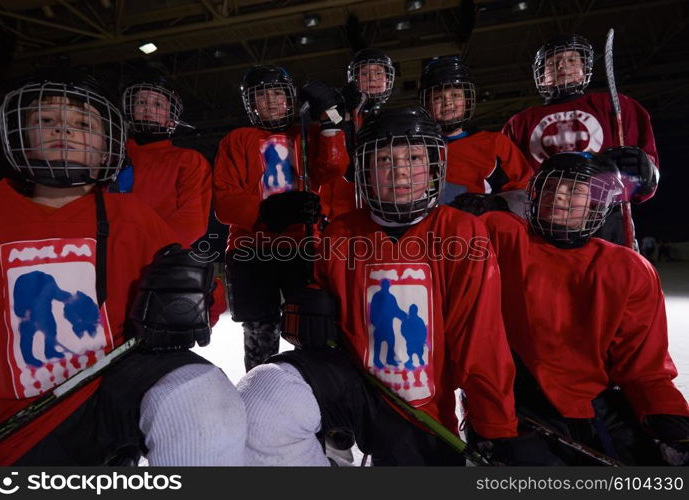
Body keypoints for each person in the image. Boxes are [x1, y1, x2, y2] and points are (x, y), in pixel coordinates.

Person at [236, 107, 554, 466]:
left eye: (414, 157)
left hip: (424, 410)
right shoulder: (340, 232)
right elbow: (323, 328)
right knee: (262, 397)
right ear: (366, 170)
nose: (401, 170)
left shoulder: (460, 231)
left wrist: (496, 427)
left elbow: (479, 339)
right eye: (385, 158)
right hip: (356, 389)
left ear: (434, 166)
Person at [0, 71, 245, 466]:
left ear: (107, 145)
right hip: (12, 424)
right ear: (19, 134)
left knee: (203, 400)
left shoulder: (131, 215)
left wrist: (183, 304)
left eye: (82, 124)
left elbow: (206, 297)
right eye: (45, 120)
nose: (64, 130)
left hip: (115, 391)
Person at [480, 151, 689, 465]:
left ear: (598, 203)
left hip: (595, 404)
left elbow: (643, 366)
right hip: (518, 404)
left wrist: (668, 416)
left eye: (574, 190)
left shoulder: (627, 268)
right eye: (551, 187)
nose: (558, 196)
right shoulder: (504, 235)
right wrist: (459, 219)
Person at [212, 64, 348, 372]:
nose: (271, 101)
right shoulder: (236, 140)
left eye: (277, 93)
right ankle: (259, 389)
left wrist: (330, 120)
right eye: (262, 95)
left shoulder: (308, 133)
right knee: (259, 331)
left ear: (290, 99)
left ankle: (317, 389)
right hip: (251, 250)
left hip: (301, 245)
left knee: (313, 324)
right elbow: (225, 202)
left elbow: (334, 168)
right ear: (251, 104)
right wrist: (266, 212)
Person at [502, 34, 659, 245]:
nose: (562, 66)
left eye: (571, 60)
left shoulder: (617, 106)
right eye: (553, 63)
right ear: (540, 75)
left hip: (605, 217)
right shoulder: (519, 122)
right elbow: (510, 178)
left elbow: (644, 169)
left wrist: (645, 175)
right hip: (545, 220)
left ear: (585, 68)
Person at [419, 56, 531, 217]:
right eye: (438, 98)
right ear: (427, 104)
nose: (447, 103)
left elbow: (522, 194)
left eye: (455, 95)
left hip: (484, 231)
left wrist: (492, 205)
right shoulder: (416, 151)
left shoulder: (495, 143)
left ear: (467, 101)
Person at [116, 80, 212, 246]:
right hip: (109, 252)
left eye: (158, 104)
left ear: (171, 118)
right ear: (131, 111)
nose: (148, 109)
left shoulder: (189, 160)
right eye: (141, 102)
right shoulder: (111, 156)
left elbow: (192, 221)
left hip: (160, 258)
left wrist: (144, 247)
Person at [319, 48, 397, 223]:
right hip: (346, 202)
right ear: (353, 80)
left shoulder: (395, 119)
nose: (372, 78)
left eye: (378, 72)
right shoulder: (339, 112)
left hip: (385, 202)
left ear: (388, 79)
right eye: (364, 73)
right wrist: (342, 112)